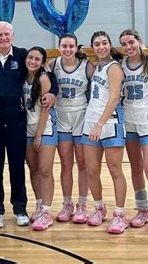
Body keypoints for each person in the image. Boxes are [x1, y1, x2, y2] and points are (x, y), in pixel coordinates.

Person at [0, 21, 56, 228]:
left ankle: (19, 208)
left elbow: (45, 74)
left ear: (13, 36)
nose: (3, 38)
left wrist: (53, 91)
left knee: (18, 167)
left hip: (17, 121)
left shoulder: (23, 55)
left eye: (7, 34)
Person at [119, 29, 148, 234]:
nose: (128, 47)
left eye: (131, 42)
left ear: (139, 41)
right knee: (136, 168)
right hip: (129, 122)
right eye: (124, 44)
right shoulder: (120, 66)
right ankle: (142, 209)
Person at [82, 31, 128, 234]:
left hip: (109, 123)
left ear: (110, 45)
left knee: (115, 170)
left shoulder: (114, 67)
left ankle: (120, 215)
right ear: (93, 48)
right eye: (97, 44)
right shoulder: (96, 67)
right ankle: (99, 208)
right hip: (90, 122)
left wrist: (100, 124)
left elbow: (114, 98)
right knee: (91, 170)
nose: (101, 47)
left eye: (104, 43)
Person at [49, 34, 93, 224]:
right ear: (59, 47)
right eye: (64, 46)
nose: (67, 49)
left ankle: (83, 205)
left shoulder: (87, 65)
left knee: (83, 164)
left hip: (81, 116)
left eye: (71, 46)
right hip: (61, 116)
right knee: (66, 165)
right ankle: (68, 204)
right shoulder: (52, 64)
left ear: (76, 47)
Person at [24, 47, 58, 231]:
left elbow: (45, 110)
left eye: (37, 59)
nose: (33, 61)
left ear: (43, 62)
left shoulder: (43, 78)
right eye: (30, 57)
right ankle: (39, 204)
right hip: (27, 129)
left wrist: (38, 134)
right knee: (34, 169)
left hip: (44, 129)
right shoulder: (22, 77)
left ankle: (46, 211)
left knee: (45, 170)